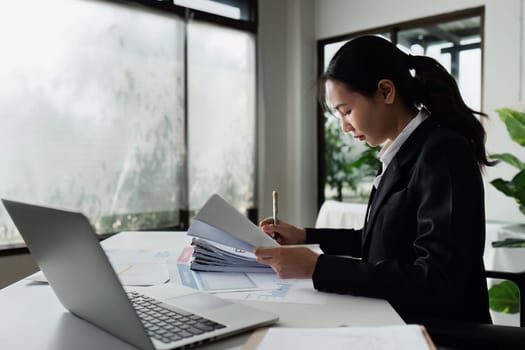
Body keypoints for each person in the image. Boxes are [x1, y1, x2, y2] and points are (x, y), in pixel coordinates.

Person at [253, 35, 493, 325]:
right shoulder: (402, 152)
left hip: (438, 333)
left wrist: (319, 267)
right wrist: (304, 236)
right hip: (394, 317)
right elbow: (375, 239)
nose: (344, 126)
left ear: (385, 91)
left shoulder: (442, 152)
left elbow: (436, 280)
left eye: (347, 111)